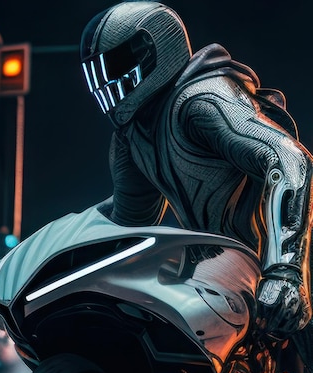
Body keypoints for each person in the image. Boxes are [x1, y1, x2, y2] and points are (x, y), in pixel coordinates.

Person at [79, 0, 313, 350]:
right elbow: (129, 220)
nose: (108, 81)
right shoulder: (133, 136)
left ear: (156, 47)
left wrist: (286, 270)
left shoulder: (199, 99)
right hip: (218, 278)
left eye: (115, 65)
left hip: (276, 264)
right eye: (99, 71)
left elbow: (290, 158)